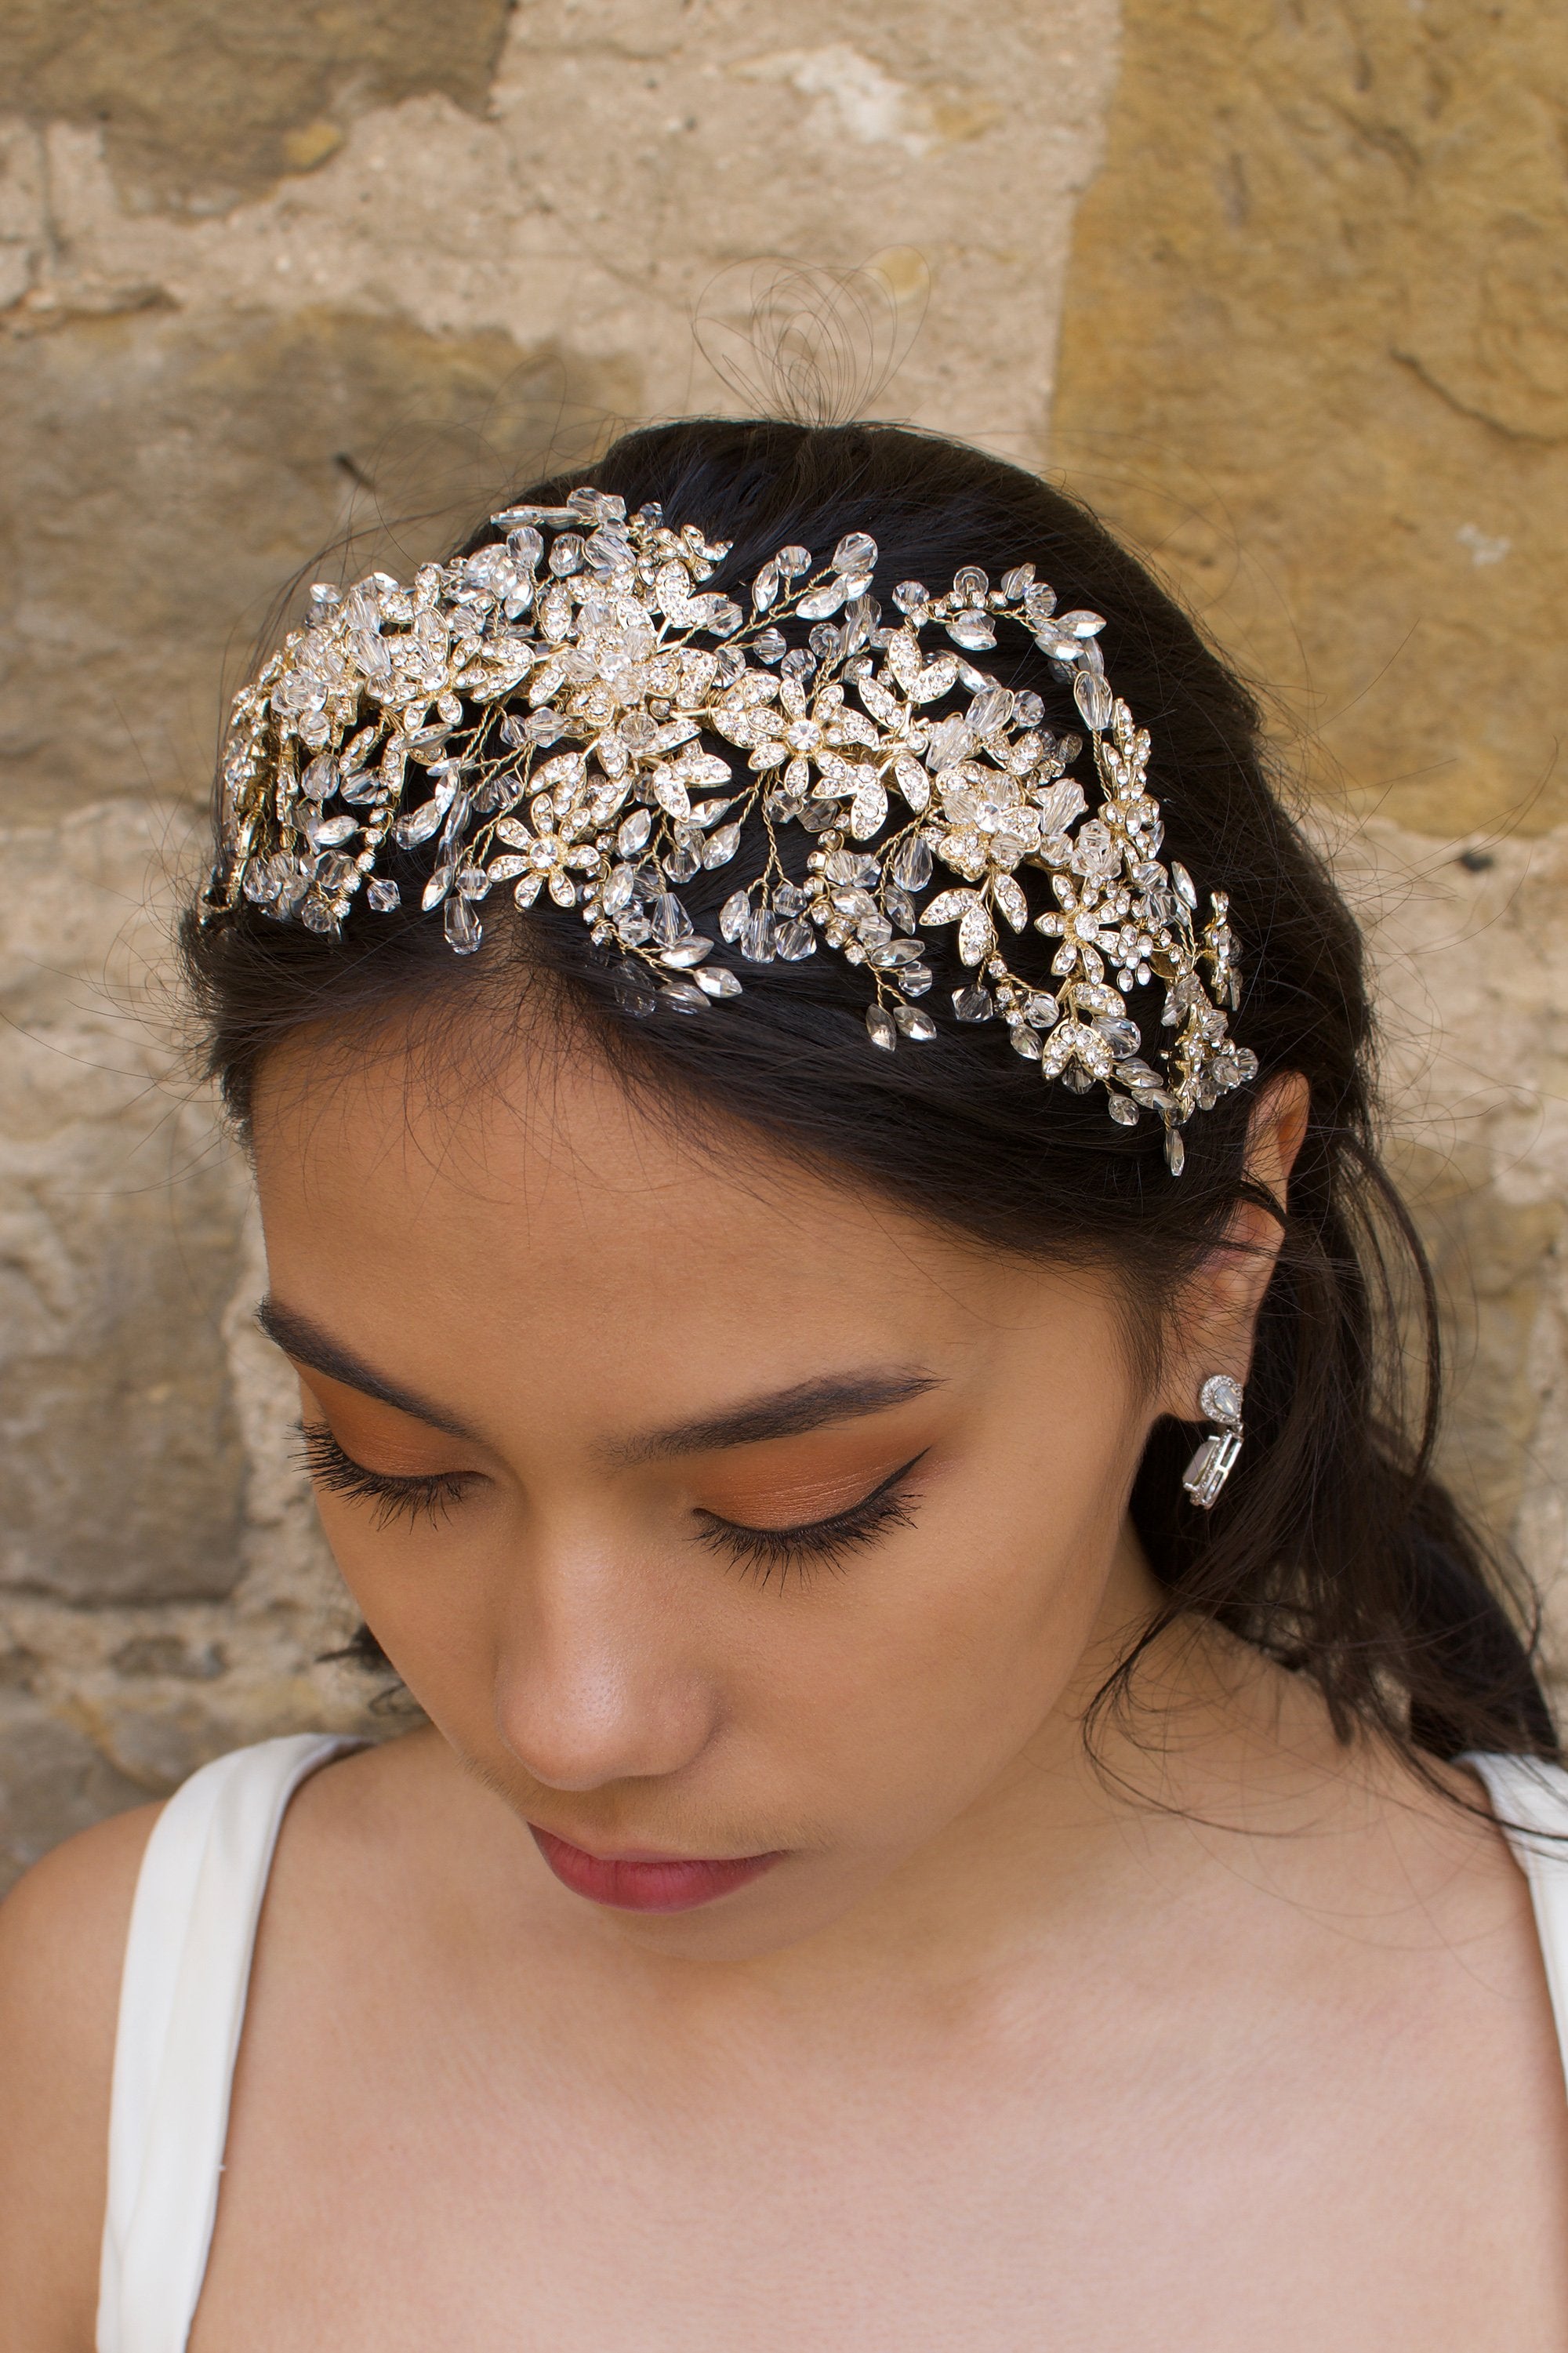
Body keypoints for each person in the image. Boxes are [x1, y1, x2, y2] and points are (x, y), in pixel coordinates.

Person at [2, 417, 1566, 2351]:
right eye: (390, 1457)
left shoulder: (1527, 2062)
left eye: (794, 1501)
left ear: (1222, 1253)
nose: (569, 1722)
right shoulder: (121, 2039)